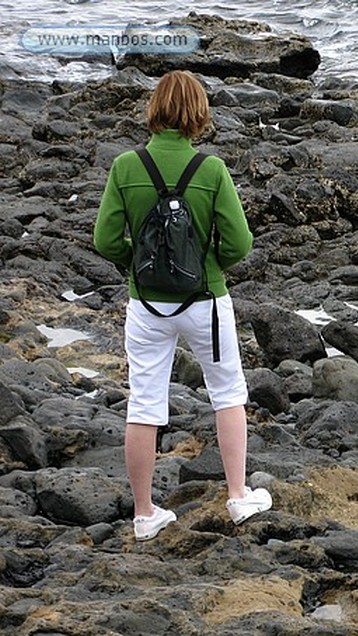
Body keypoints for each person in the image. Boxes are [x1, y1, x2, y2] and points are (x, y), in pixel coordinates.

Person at [93, 70, 272, 542]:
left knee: (145, 401)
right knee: (228, 392)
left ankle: (145, 513)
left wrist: (135, 265)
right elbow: (240, 241)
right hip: (206, 300)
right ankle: (237, 496)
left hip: (146, 304)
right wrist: (212, 265)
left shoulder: (126, 168)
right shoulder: (210, 170)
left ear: (154, 110)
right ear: (198, 114)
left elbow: (105, 238)